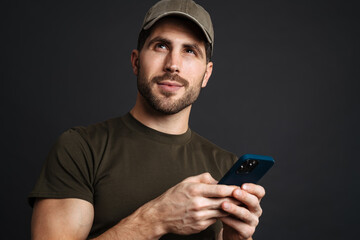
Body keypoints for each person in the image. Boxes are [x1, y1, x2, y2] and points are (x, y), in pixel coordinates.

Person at [29, 0, 266, 239]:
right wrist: (156, 218)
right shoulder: (80, 148)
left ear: (206, 74)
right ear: (136, 61)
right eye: (161, 46)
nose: (173, 65)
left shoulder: (225, 166)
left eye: (190, 50)